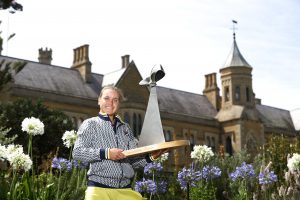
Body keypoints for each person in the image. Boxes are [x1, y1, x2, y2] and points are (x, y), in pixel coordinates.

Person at [73, 85, 165, 200]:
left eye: (115, 100)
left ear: (119, 103)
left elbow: (131, 162)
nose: (111, 103)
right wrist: (107, 153)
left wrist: (150, 157)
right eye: (107, 98)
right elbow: (77, 152)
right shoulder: (90, 124)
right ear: (99, 101)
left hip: (125, 191)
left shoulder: (126, 128)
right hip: (99, 190)